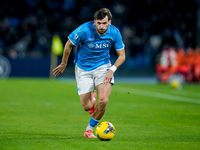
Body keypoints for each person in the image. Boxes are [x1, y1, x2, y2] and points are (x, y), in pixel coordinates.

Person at [52, 8, 125, 138]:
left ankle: (89, 130)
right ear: (94, 22)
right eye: (99, 23)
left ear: (109, 22)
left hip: (103, 67)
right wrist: (63, 64)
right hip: (83, 69)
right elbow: (69, 44)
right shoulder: (84, 30)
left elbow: (122, 55)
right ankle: (92, 98)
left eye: (104, 23)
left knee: (103, 102)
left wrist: (111, 70)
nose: (102, 26)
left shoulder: (114, 32)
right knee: (87, 106)